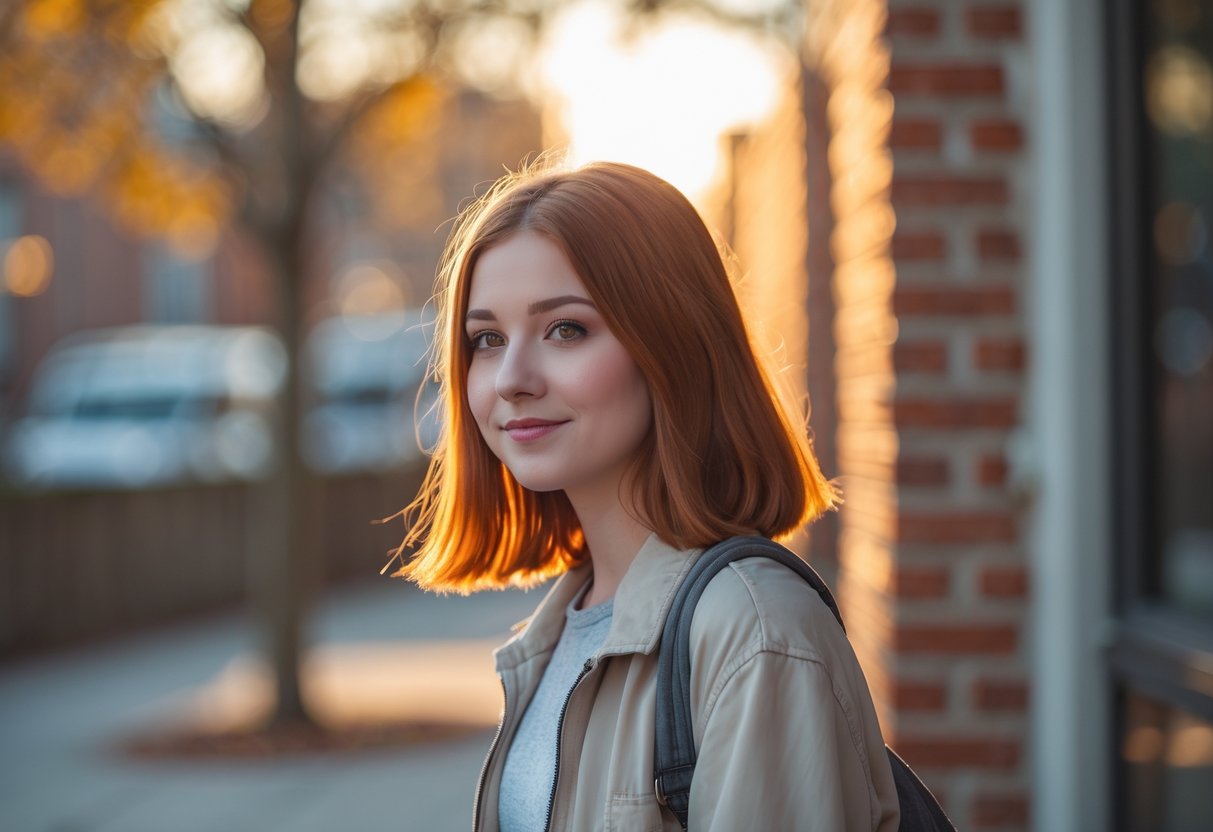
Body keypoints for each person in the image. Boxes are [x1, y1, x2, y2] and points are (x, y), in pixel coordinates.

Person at [394, 160, 900, 831]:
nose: (510, 378)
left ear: (672, 343)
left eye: (565, 329)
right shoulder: (561, 628)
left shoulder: (753, 631)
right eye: (486, 340)